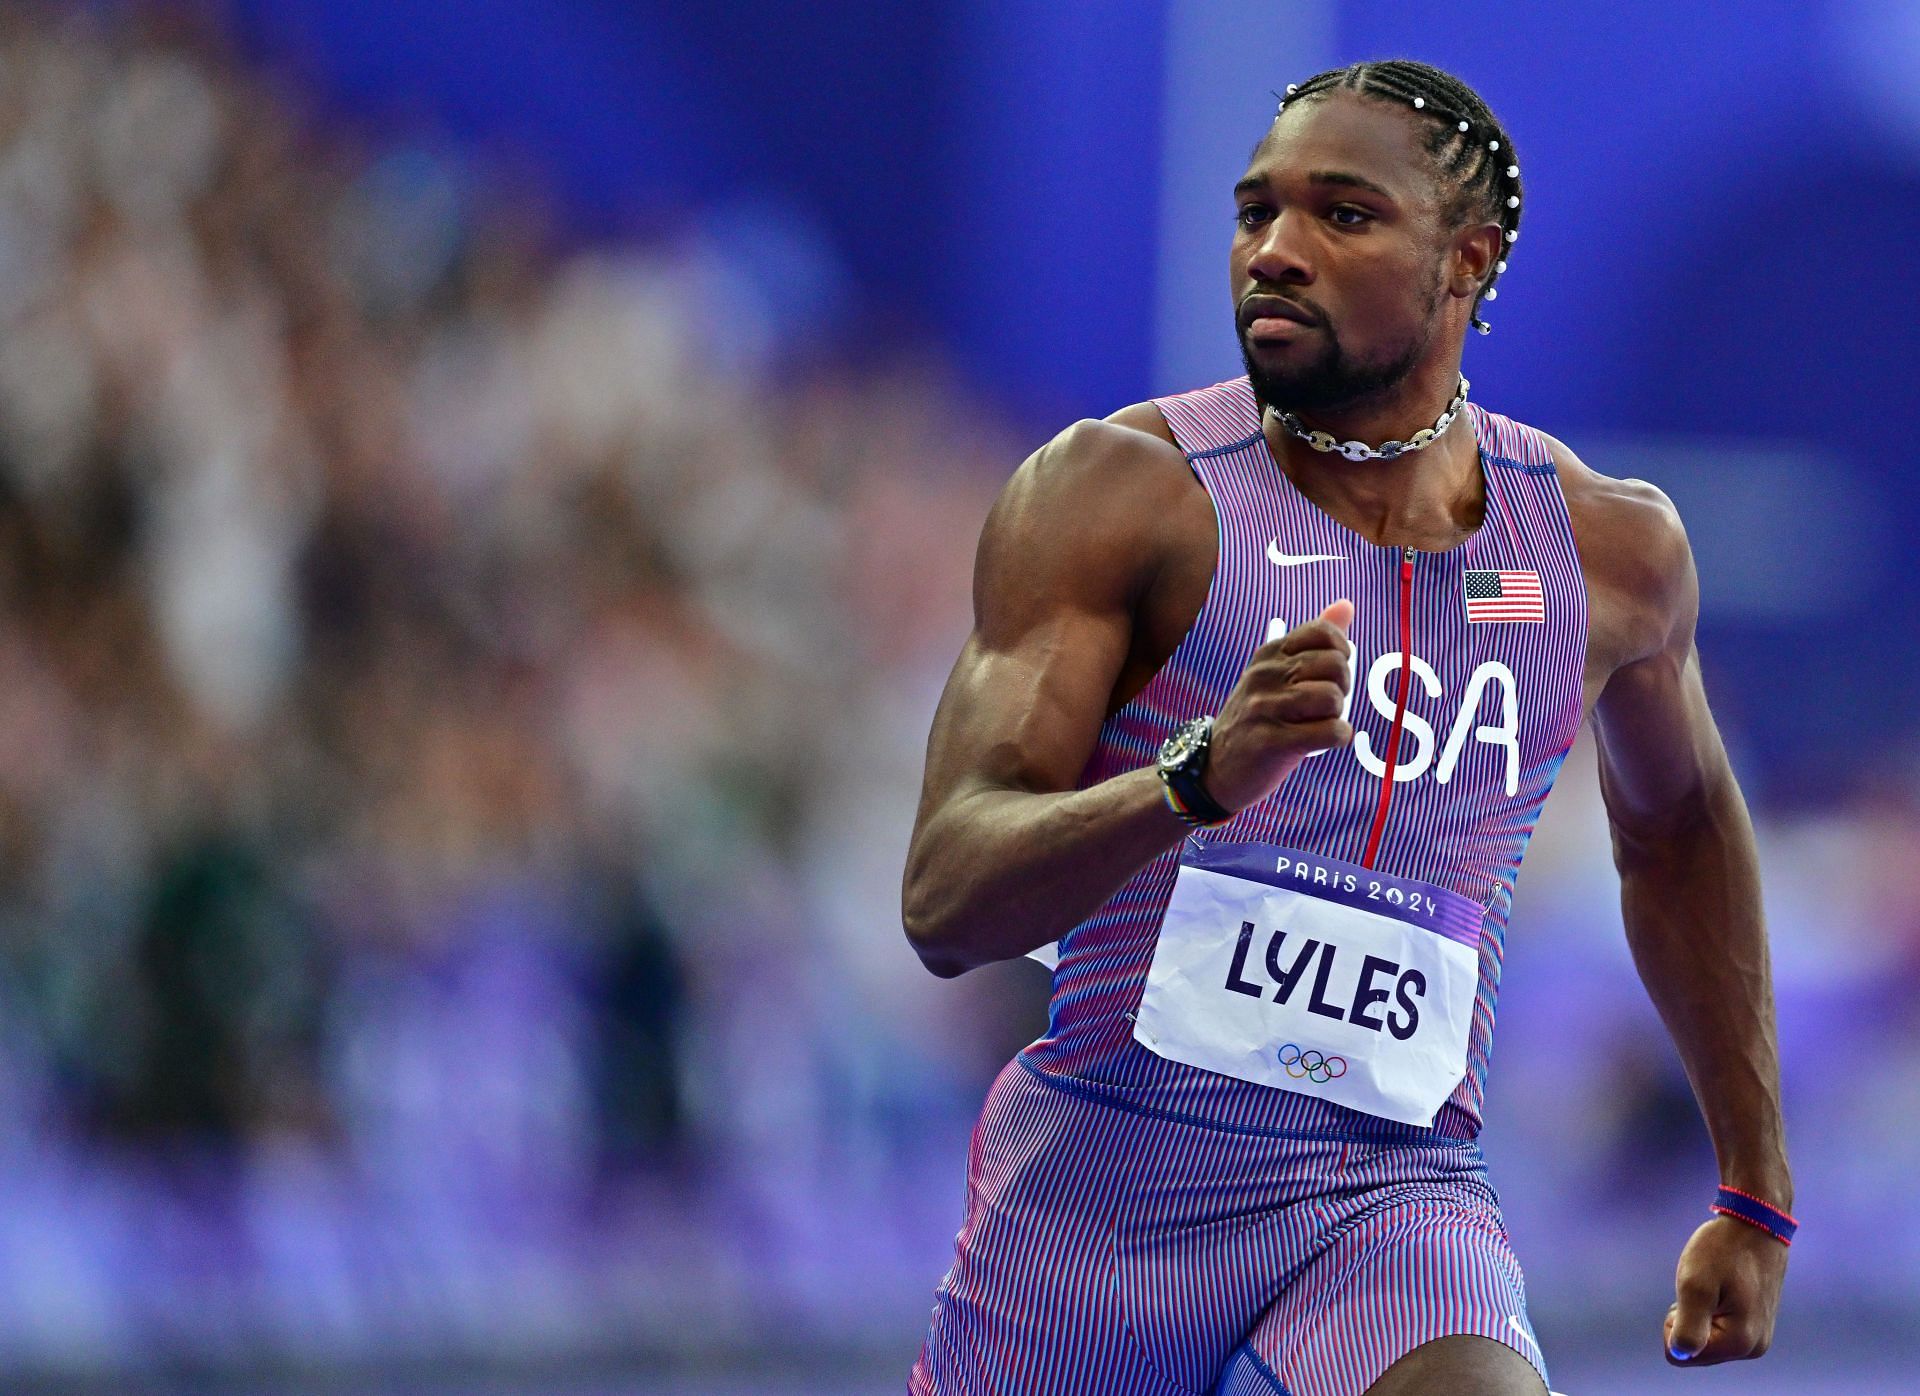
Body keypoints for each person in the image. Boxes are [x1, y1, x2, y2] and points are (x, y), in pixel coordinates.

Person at [900, 59, 1793, 1396]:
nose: (1276, 251)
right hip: (1103, 1202)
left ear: (1467, 264)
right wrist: (1191, 782)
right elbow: (945, 900)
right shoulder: (1120, 496)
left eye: (1343, 215)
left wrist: (1755, 1189)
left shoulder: (1609, 552)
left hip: (1396, 1196)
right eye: (1256, 211)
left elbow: (1678, 833)